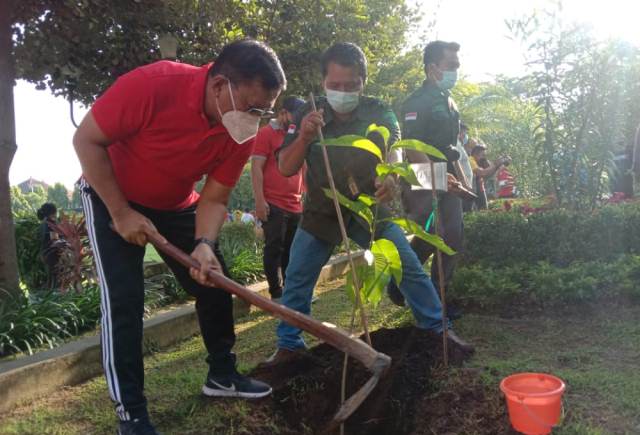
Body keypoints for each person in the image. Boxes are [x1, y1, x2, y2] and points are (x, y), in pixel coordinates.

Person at [72, 39, 286, 435]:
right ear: (220, 85)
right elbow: (85, 140)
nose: (254, 121)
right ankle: (132, 414)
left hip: (176, 203)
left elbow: (216, 195)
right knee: (124, 302)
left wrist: (204, 243)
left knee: (213, 280)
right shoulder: (154, 85)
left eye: (264, 112)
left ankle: (222, 374)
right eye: (251, 108)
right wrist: (120, 212)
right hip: (110, 194)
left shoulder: (239, 132)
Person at [264, 42, 473, 365]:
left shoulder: (379, 111)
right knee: (298, 277)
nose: (343, 92)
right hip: (323, 210)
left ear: (363, 82)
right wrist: (305, 137)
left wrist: (390, 176)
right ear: (323, 83)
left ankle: (436, 329)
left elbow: (394, 146)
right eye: (335, 86)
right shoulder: (310, 112)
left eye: (351, 85)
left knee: (407, 266)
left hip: (369, 209)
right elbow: (286, 167)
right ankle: (289, 345)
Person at [387, 41, 466, 308]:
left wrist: (461, 180)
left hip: (449, 173)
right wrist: (437, 178)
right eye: (451, 66)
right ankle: (402, 284)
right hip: (422, 174)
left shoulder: (449, 100)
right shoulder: (416, 102)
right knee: (432, 233)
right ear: (433, 68)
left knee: (451, 235)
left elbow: (453, 146)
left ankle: (438, 299)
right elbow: (411, 147)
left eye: (457, 65)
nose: (456, 70)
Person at [251, 96, 306, 300]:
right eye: (296, 116)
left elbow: (304, 168)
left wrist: (305, 196)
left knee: (293, 249)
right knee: (274, 247)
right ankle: (277, 293)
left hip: (295, 203)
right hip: (273, 202)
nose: (298, 120)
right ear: (283, 113)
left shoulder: (299, 135)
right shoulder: (266, 133)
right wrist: (259, 201)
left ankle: (291, 292)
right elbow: (256, 167)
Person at [469, 143, 510, 209]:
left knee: (483, 209)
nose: (484, 158)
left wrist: (498, 165)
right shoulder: (471, 160)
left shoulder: (479, 162)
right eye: (482, 155)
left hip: (480, 189)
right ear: (476, 154)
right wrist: (495, 165)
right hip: (473, 190)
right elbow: (481, 173)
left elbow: (487, 175)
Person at [37, 202, 61, 290]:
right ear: (53, 212)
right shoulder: (51, 223)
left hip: (45, 253)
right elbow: (55, 239)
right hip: (52, 254)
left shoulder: (43, 223)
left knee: (51, 277)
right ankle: (56, 298)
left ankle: (51, 296)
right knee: (55, 279)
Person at [456, 123, 475, 212]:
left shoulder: (460, 145)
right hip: (463, 189)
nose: (465, 135)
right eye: (463, 132)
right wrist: (465, 184)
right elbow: (456, 164)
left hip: (465, 188)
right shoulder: (456, 145)